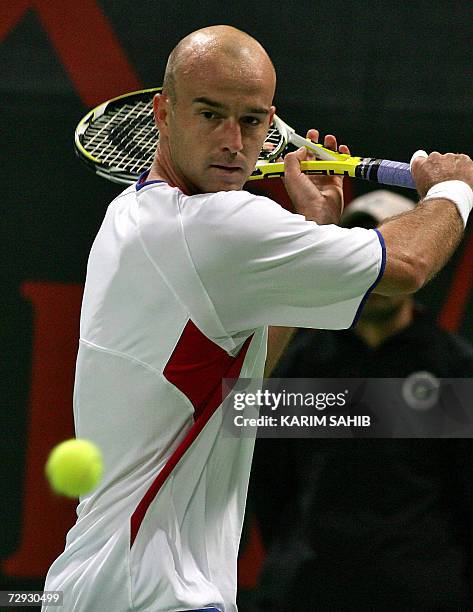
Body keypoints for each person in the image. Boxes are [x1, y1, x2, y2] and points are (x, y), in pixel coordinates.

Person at [42, 24, 473, 612]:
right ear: (163, 115)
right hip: (159, 594)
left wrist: (316, 232)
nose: (232, 141)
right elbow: (408, 262)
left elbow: (232, 386)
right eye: (210, 114)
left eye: (250, 122)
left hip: (101, 589)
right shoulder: (215, 227)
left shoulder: (133, 215)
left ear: (271, 124)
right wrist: (452, 192)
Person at [251, 190, 473, 611]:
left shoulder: (455, 369)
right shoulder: (296, 365)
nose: (377, 275)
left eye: (388, 255)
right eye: (368, 256)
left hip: (422, 595)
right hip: (305, 593)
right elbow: (270, 482)